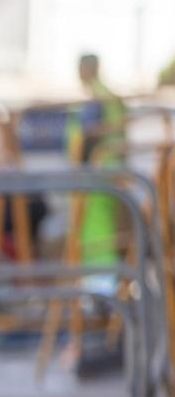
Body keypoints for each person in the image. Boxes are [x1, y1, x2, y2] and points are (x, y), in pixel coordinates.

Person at [69, 53, 126, 265]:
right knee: (108, 227)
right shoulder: (110, 96)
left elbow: (88, 134)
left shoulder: (96, 98)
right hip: (112, 168)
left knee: (96, 228)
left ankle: (101, 281)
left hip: (99, 171)